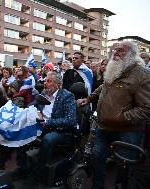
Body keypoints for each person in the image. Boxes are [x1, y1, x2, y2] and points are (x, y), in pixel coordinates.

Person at [78, 41, 150, 189]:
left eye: (121, 51)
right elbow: (104, 87)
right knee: (97, 157)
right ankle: (97, 186)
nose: (115, 53)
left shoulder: (142, 75)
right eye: (114, 50)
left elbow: (146, 108)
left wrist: (121, 117)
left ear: (132, 55)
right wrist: (89, 98)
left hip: (127, 131)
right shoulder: (113, 68)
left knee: (123, 165)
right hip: (103, 126)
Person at [13, 71, 77, 188]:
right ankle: (23, 168)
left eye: (49, 81)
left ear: (58, 84)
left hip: (61, 130)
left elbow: (70, 120)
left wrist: (48, 122)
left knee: (48, 139)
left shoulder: (67, 96)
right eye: (45, 81)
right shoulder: (44, 93)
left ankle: (36, 176)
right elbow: (32, 104)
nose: (45, 84)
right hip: (42, 126)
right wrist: (37, 112)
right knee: (21, 131)